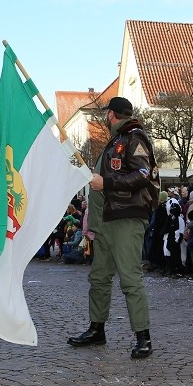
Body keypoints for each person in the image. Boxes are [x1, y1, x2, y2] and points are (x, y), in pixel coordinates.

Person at [67, 96, 159, 359]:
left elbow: (143, 174)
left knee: (130, 279)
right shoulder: (114, 141)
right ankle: (97, 329)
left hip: (125, 219)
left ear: (111, 115)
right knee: (99, 278)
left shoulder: (133, 137)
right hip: (106, 221)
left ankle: (144, 337)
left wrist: (106, 183)